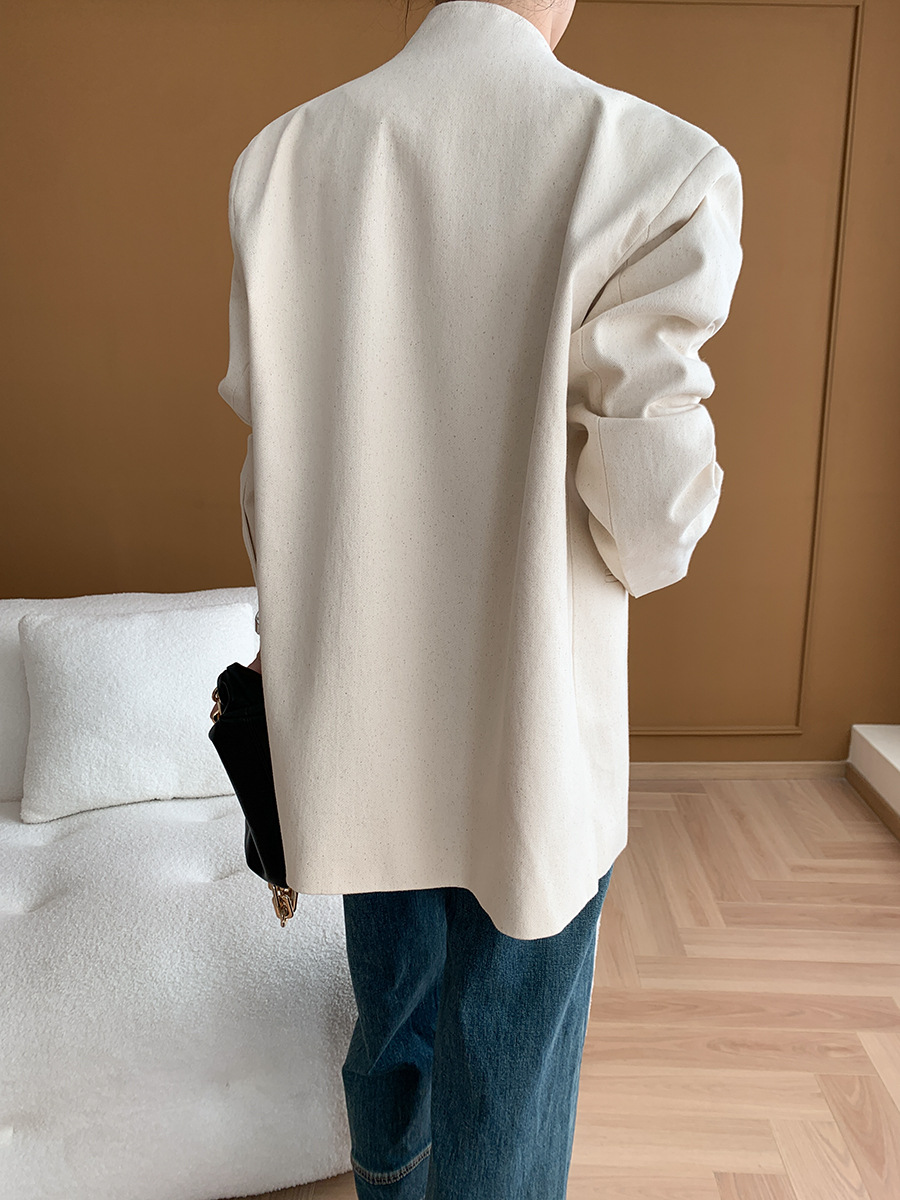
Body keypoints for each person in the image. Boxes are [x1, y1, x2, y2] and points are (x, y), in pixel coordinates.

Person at [216, 1, 744, 1195]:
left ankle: (392, 1182)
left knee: (392, 1004)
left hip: (353, 706)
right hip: (530, 715)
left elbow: (269, 477)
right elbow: (648, 522)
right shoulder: (656, 166)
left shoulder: (284, 158)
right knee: (511, 1042)